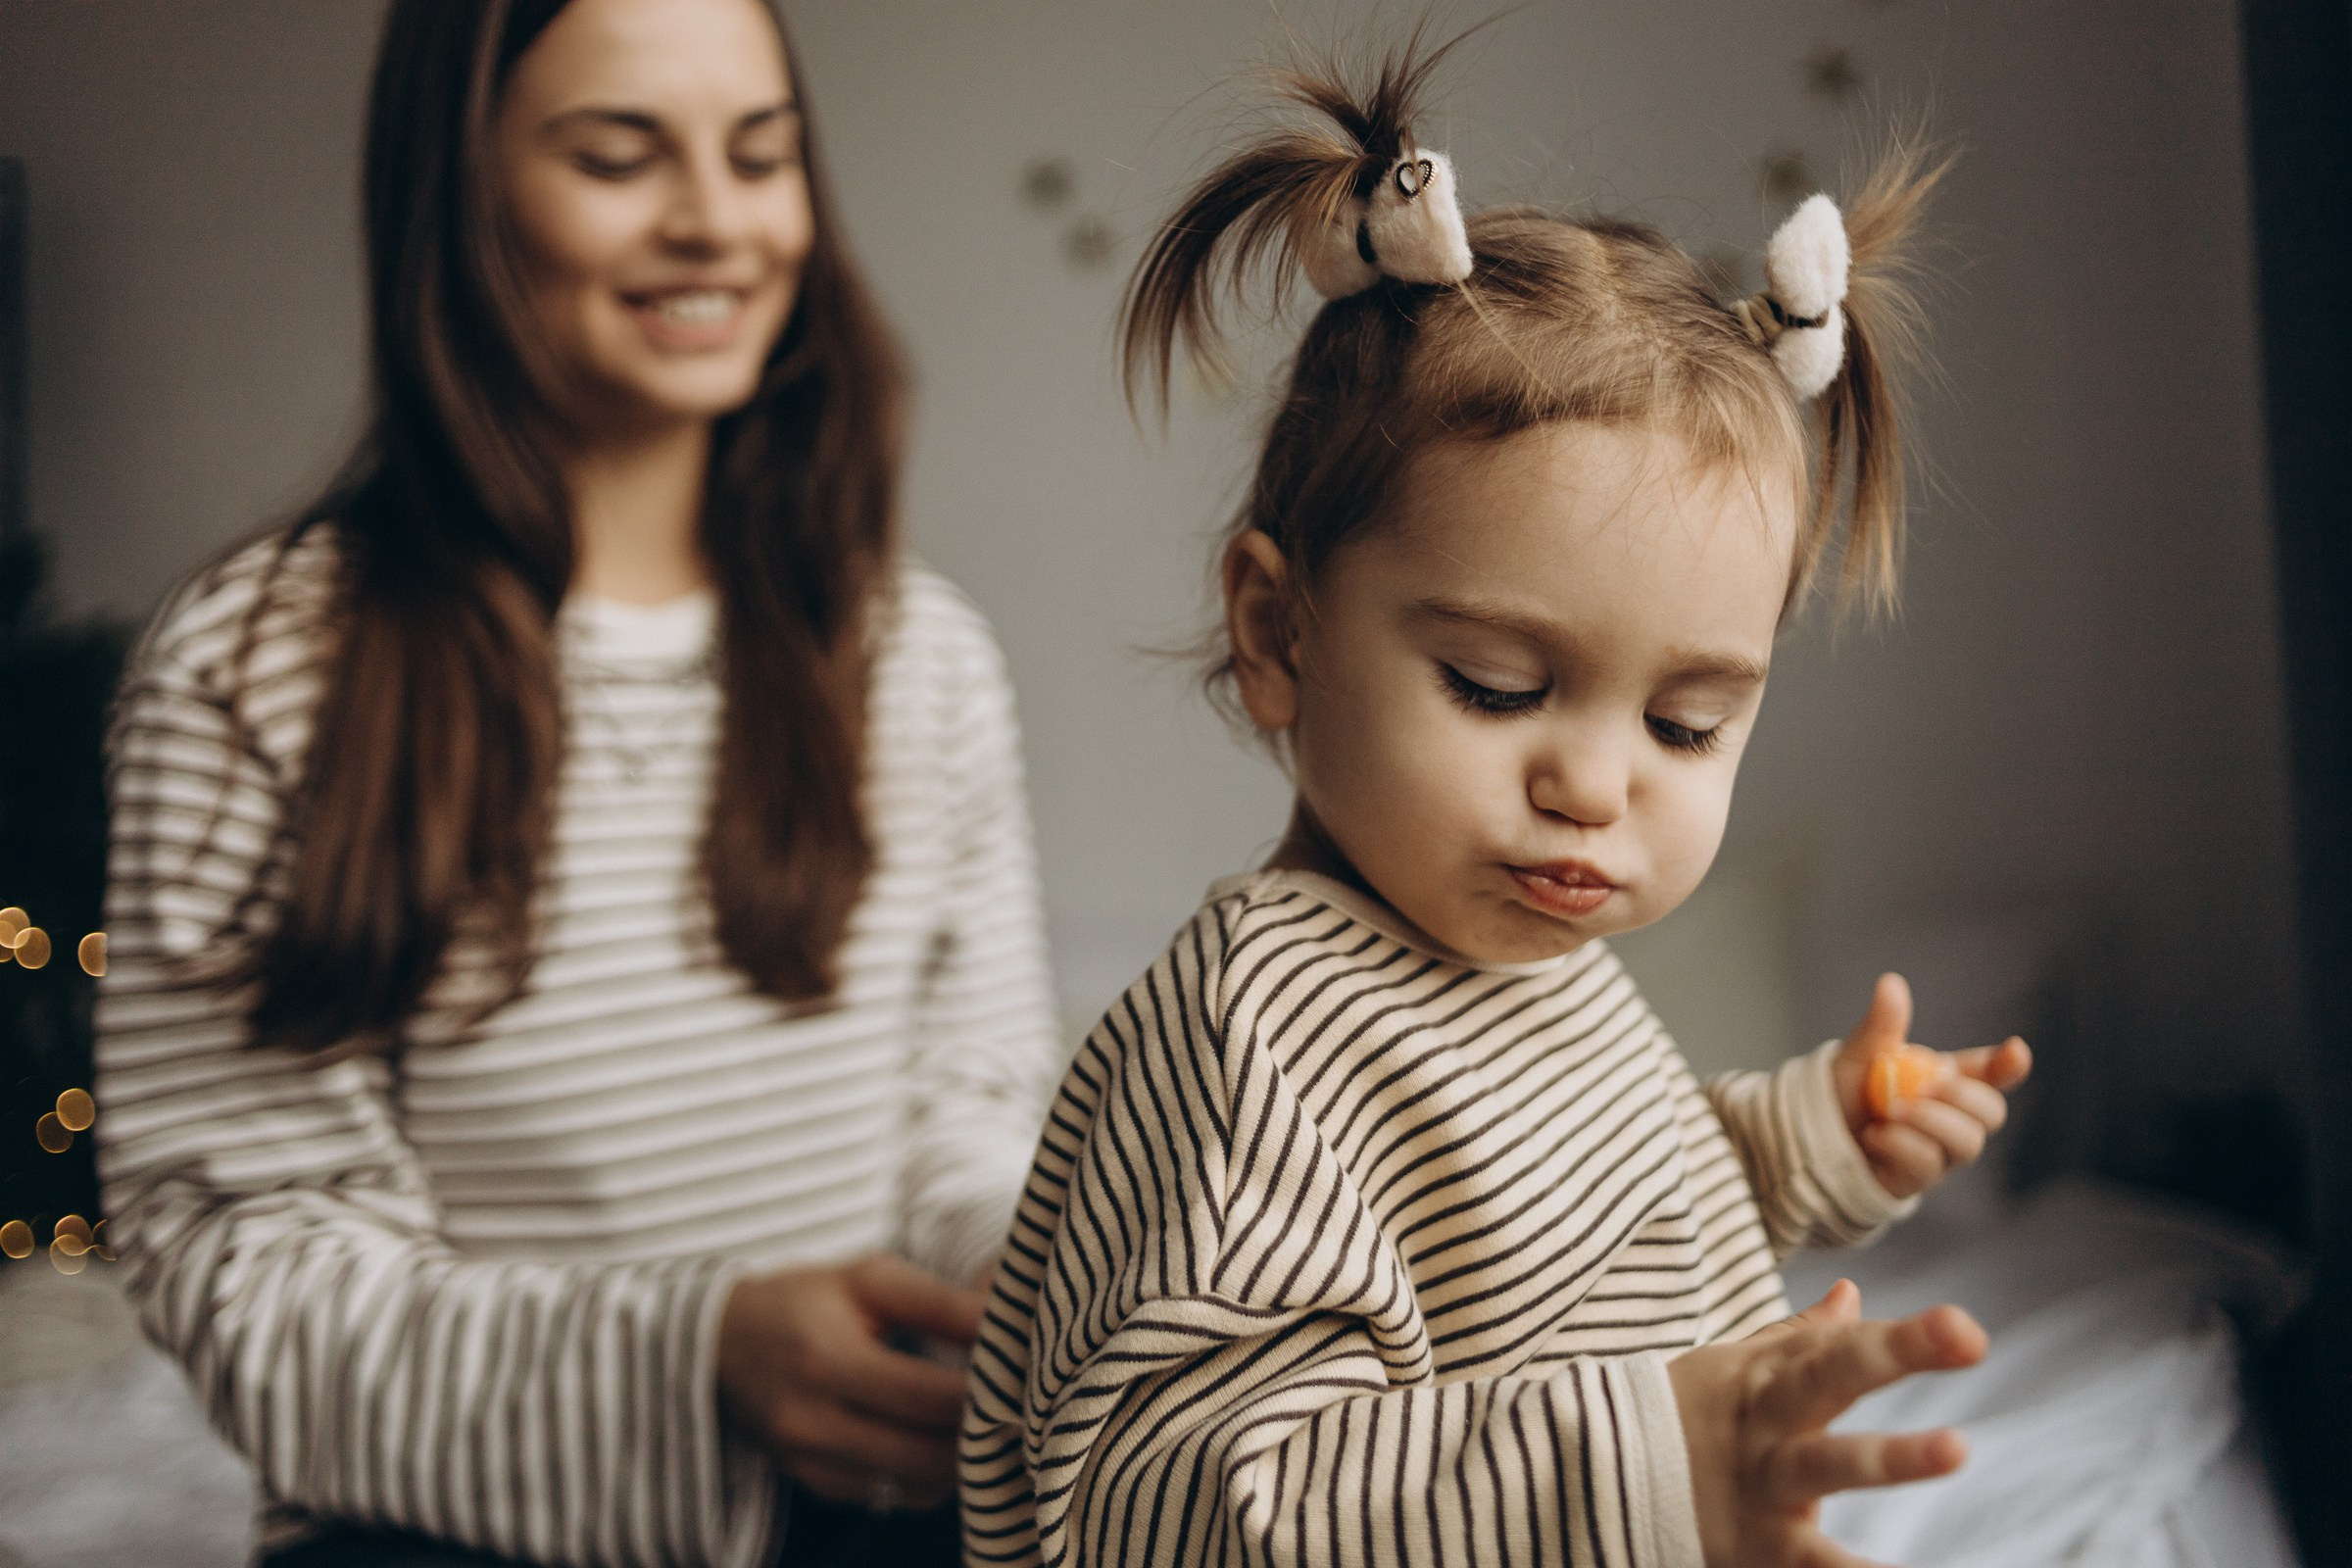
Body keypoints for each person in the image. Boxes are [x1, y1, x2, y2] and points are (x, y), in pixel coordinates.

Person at [958, 37, 2035, 1568]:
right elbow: (1183, 1506)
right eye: (1495, 685)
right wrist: (1660, 1464)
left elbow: (1594, 1237)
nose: (1595, 783)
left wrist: (1804, 1145)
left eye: (1686, 722)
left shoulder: (1529, 969)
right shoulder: (1256, 1035)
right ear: (1280, 633)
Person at [92, 1, 1057, 1564]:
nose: (717, 225)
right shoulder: (255, 664)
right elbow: (245, 1266)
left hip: (880, 1500)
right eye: (619, 158)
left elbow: (967, 1115)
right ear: (459, 199)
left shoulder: (915, 653)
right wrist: (702, 1358)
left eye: (763, 155)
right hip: (439, 1529)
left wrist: (1056, 1273)